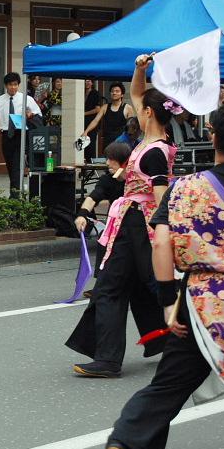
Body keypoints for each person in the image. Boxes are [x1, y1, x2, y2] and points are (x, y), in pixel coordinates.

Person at [104, 100, 224, 449]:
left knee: (170, 381)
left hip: (202, 302)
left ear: (214, 139)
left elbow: (162, 242)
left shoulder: (187, 188)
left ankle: (125, 442)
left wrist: (169, 301)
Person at [66, 54, 177, 378]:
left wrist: (163, 236)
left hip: (140, 226)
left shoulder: (155, 152)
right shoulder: (150, 140)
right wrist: (140, 69)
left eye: (141, 109)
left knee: (131, 286)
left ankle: (114, 358)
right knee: (124, 286)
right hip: (130, 223)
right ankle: (118, 355)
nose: (136, 108)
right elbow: (138, 92)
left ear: (149, 114)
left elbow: (162, 199)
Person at [74, 141, 131, 296]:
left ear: (123, 161)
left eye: (111, 159)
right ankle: (101, 284)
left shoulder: (135, 180)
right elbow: (93, 197)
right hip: (116, 224)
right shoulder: (107, 180)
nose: (107, 163)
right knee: (103, 239)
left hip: (136, 223)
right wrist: (82, 214)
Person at [0, 72, 42, 196]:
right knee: (10, 165)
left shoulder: (26, 99)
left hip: (21, 135)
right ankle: (17, 190)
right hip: (6, 136)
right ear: (6, 85)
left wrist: (30, 115)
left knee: (16, 166)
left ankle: (15, 196)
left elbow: (38, 114)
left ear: (18, 85)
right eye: (10, 85)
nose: (13, 87)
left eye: (15, 84)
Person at [83, 82, 136, 153]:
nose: (114, 93)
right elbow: (95, 120)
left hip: (121, 143)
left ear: (122, 94)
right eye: (112, 91)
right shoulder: (105, 107)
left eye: (117, 91)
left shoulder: (128, 108)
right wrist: (86, 131)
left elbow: (131, 126)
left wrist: (131, 141)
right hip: (107, 142)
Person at [84, 79, 102, 162]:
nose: (86, 83)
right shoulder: (81, 92)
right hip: (82, 122)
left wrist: (84, 113)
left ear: (92, 83)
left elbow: (97, 109)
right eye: (85, 81)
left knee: (91, 145)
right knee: (82, 144)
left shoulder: (95, 93)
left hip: (92, 121)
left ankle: (91, 164)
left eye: (89, 81)